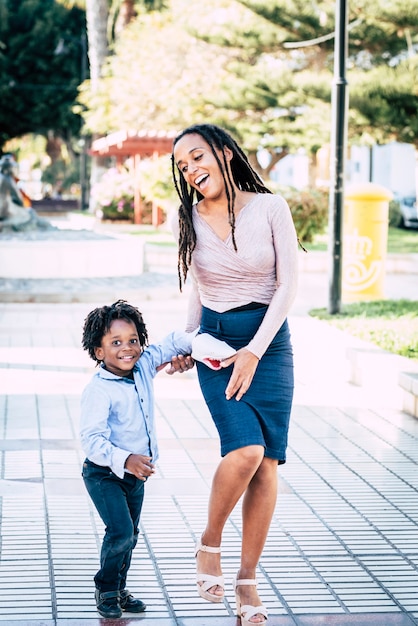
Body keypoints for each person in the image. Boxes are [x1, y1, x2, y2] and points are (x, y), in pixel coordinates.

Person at [171, 124, 299, 626]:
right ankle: (209, 542)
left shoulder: (271, 208)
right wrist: (187, 340)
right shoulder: (187, 218)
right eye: (183, 166)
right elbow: (196, 286)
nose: (192, 170)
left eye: (198, 156)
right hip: (216, 344)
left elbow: (288, 286)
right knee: (244, 450)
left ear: (224, 153)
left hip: (269, 345)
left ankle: (247, 581)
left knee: (266, 464)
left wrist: (255, 352)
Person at [80, 299, 194, 619]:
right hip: (104, 473)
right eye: (115, 343)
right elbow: (91, 440)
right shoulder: (98, 390)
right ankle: (106, 587)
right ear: (99, 352)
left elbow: (171, 343)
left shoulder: (142, 366)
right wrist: (126, 458)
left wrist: (198, 345)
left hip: (135, 475)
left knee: (131, 534)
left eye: (133, 340)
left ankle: (120, 588)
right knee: (121, 532)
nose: (127, 348)